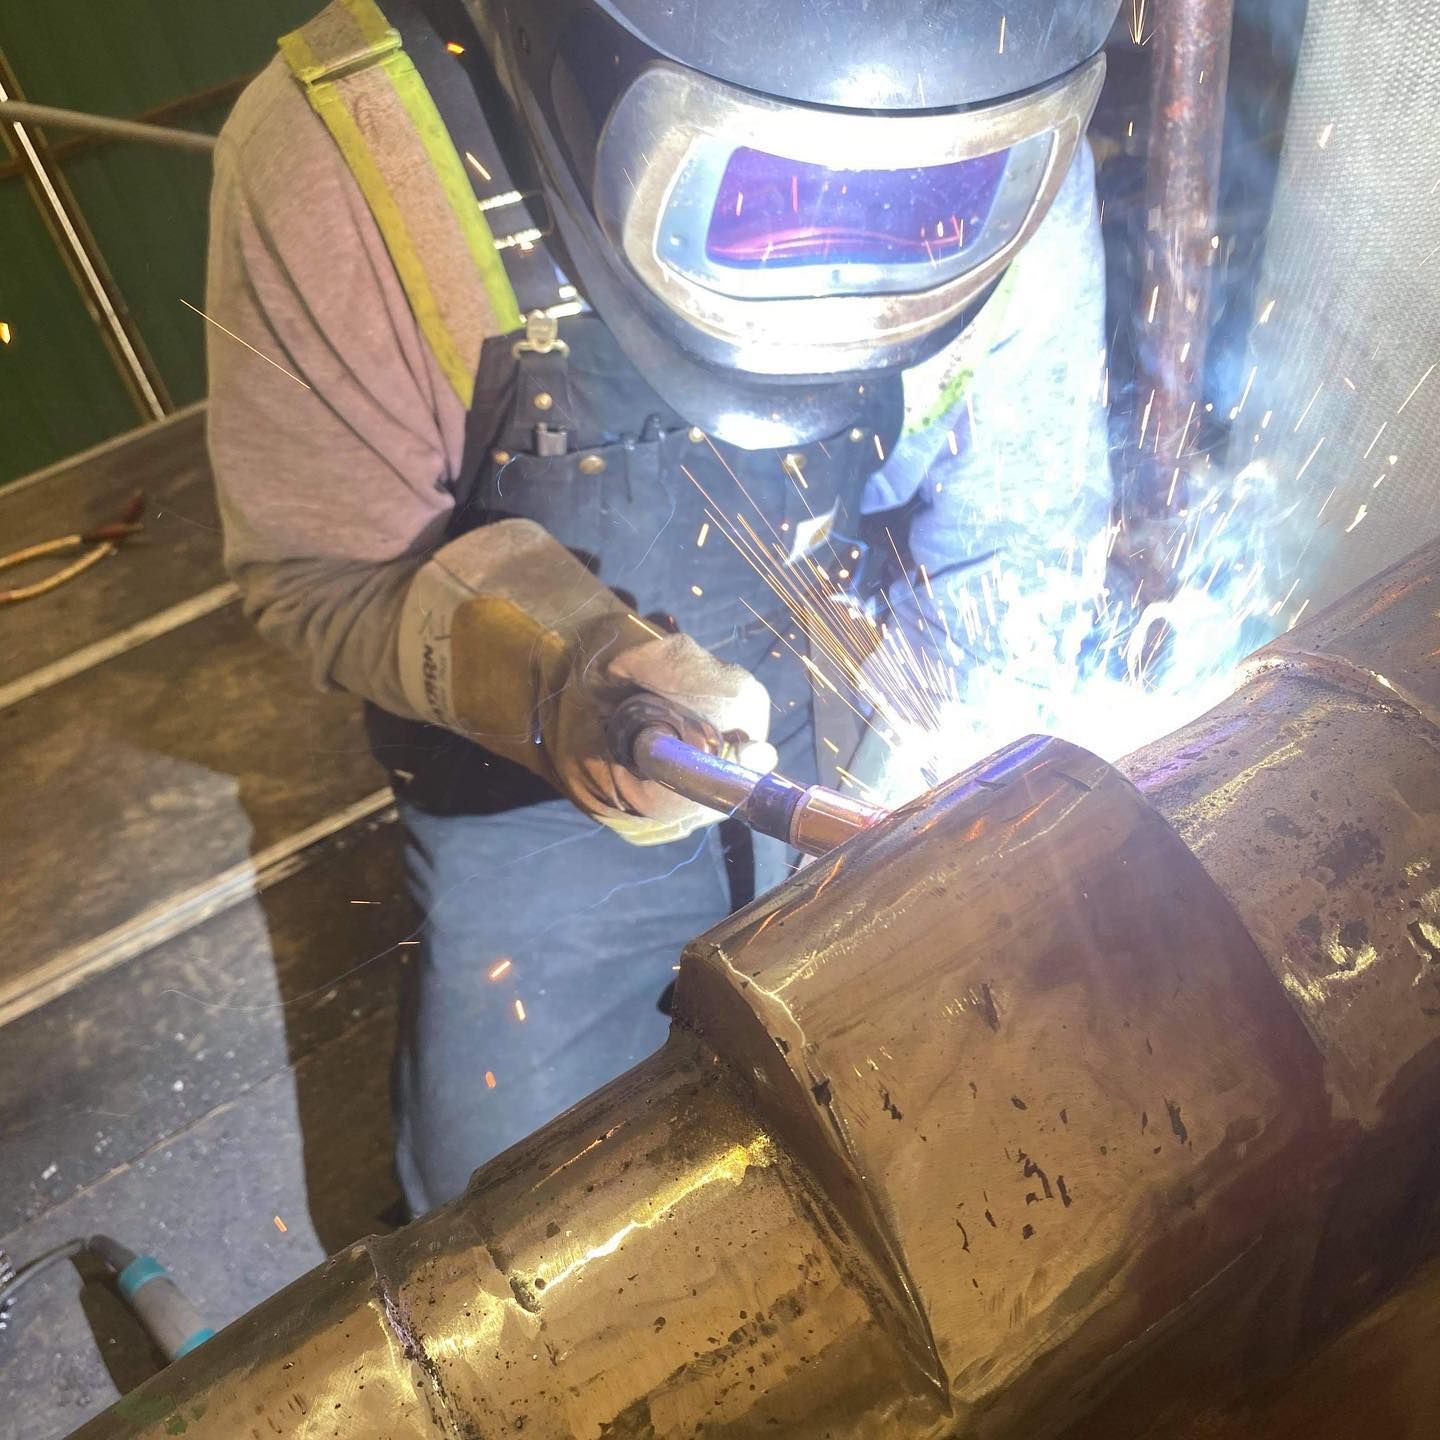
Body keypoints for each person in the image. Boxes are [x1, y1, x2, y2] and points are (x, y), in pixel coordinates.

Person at [205, 0, 1120, 1214]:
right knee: (516, 1224)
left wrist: (974, 768)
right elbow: (316, 572)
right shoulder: (353, 144)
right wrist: (550, 676)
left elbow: (1023, 530)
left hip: (846, 713)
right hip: (523, 800)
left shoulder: (997, 95)